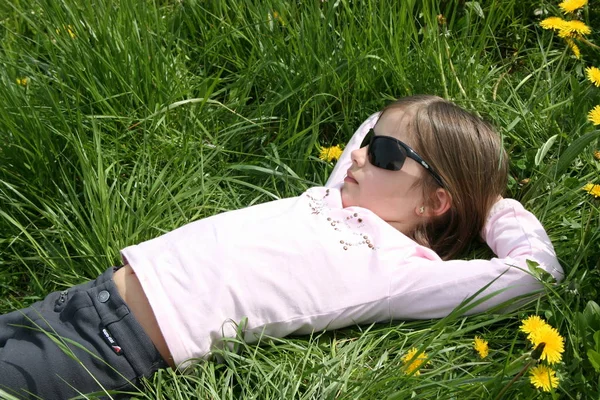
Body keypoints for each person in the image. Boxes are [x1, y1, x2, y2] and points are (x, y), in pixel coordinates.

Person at [0, 95, 563, 399]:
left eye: (387, 152)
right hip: (85, 298)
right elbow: (373, 121)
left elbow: (534, 273)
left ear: (434, 202)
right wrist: (388, 135)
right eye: (365, 146)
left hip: (112, 347)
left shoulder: (400, 268)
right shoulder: (335, 196)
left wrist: (487, 202)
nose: (361, 155)